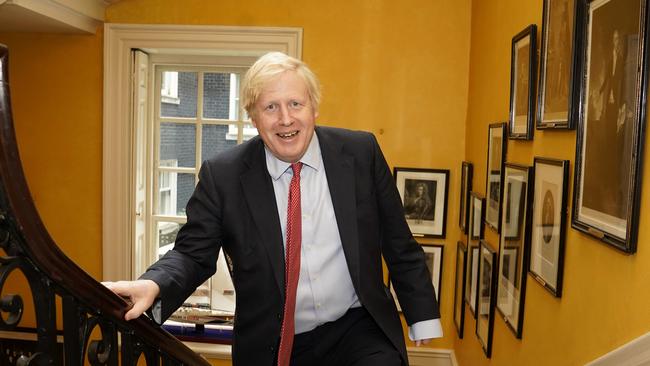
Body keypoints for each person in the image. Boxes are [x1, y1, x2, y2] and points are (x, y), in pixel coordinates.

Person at [104, 52, 441, 366]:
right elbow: (193, 254)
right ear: (252, 116)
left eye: (296, 103)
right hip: (273, 341)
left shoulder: (360, 152)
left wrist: (422, 314)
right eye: (270, 107)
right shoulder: (223, 175)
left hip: (356, 327)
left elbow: (398, 239)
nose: (285, 119)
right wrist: (154, 284)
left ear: (314, 107)